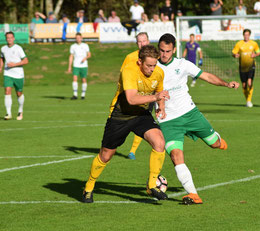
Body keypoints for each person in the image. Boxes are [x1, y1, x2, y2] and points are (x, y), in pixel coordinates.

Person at [157, 33, 239, 205]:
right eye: (161, 51)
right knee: (175, 155)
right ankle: (193, 194)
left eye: (167, 51)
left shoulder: (182, 64)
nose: (164, 55)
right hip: (168, 121)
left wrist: (225, 84)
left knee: (215, 144)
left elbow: (206, 76)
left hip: (190, 113)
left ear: (173, 50)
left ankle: (216, 138)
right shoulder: (152, 67)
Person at [82, 45, 170, 203]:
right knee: (106, 155)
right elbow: (131, 99)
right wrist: (155, 98)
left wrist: (161, 107)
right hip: (120, 115)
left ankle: (152, 185)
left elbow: (160, 93)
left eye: (154, 65)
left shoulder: (159, 72)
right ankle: (89, 186)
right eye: (149, 65)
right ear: (139, 62)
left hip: (141, 115)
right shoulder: (129, 70)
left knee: (160, 142)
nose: (152, 69)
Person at [121, 32, 151, 160]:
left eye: (144, 41)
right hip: (134, 95)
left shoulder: (156, 57)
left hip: (149, 96)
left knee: (142, 121)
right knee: (127, 122)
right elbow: (122, 74)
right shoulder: (130, 57)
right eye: (139, 41)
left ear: (148, 42)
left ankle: (132, 151)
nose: (142, 44)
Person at [0, 32, 29, 120]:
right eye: (7, 38)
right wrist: (0, 67)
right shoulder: (3, 48)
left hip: (18, 74)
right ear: (6, 38)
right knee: (7, 90)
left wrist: (14, 64)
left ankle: (20, 110)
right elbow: (1, 58)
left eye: (11, 38)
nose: (9, 39)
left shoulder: (18, 48)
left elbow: (26, 61)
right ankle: (8, 113)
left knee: (19, 93)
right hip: (7, 73)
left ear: (13, 38)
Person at [232, 29, 260, 108]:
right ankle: (247, 100)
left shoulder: (254, 44)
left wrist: (255, 55)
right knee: (244, 85)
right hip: (242, 67)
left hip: (251, 66)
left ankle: (249, 101)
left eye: (247, 35)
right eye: (245, 35)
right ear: (243, 35)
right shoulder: (239, 44)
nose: (246, 36)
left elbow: (258, 52)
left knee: (249, 82)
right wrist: (235, 55)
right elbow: (234, 53)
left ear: (249, 35)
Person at [67, 33, 91, 100]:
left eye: (79, 38)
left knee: (83, 79)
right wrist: (69, 66)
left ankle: (83, 95)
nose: (77, 39)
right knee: (74, 78)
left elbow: (89, 54)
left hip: (84, 65)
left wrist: (85, 58)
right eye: (76, 38)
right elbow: (71, 56)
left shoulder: (85, 45)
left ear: (81, 38)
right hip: (76, 65)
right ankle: (75, 95)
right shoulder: (73, 46)